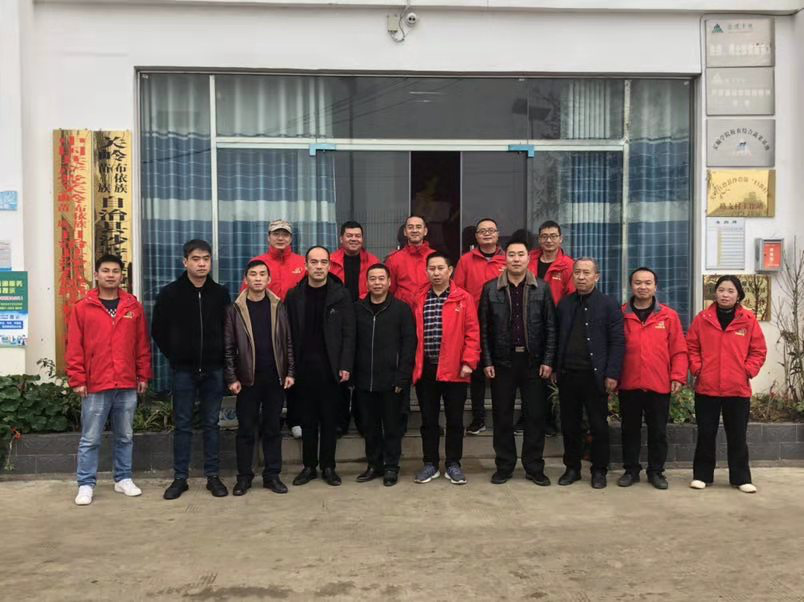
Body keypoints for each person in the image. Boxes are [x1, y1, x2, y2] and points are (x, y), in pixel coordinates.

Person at [66, 255, 151, 506]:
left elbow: (141, 344)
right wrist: (77, 378)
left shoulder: (133, 307)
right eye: (105, 271)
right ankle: (85, 484)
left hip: (126, 382)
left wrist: (142, 374)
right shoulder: (83, 307)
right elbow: (74, 346)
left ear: (121, 276)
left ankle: (123, 478)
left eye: (115, 271)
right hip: (96, 383)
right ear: (96, 275)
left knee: (125, 435)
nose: (111, 275)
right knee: (90, 438)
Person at [151, 240, 231, 500]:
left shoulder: (220, 294)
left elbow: (228, 330)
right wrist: (176, 355)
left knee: (211, 423)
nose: (201, 264)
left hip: (213, 369)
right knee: (183, 424)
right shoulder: (170, 293)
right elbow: (158, 330)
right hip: (183, 371)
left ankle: (213, 476)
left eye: (206, 259)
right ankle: (180, 478)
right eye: (196, 259)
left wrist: (220, 357)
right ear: (185, 262)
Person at [480, 239, 557, 485]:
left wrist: (548, 360)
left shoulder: (542, 288)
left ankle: (534, 467)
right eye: (511, 254)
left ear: (528, 258)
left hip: (534, 362)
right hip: (502, 362)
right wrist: (487, 360)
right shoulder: (490, 289)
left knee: (535, 416)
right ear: (505, 258)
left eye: (520, 254)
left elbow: (551, 327)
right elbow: (484, 329)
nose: (516, 259)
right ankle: (504, 466)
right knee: (502, 416)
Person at [687, 275, 767, 494]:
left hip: (737, 388)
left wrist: (747, 371)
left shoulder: (748, 320)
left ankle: (741, 478)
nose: (725, 295)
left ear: (738, 295)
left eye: (730, 291)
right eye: (721, 290)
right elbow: (691, 346)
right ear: (715, 293)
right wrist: (698, 369)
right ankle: (702, 476)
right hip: (707, 387)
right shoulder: (702, 319)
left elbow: (758, 350)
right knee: (706, 433)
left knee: (737, 435)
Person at [285, 246, 355, 487]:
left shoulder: (341, 295)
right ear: (306, 265)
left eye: (323, 262)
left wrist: (345, 364)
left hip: (331, 369)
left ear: (329, 265)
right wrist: (289, 368)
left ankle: (328, 466)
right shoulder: (294, 295)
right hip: (303, 369)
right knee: (307, 421)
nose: (318, 266)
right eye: (313, 262)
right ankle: (309, 466)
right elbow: (287, 334)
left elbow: (349, 333)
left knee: (329, 420)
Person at [224, 260, 295, 496]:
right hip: (247, 380)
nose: (257, 278)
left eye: (262, 274)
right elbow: (228, 346)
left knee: (272, 428)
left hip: (274, 378)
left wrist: (290, 372)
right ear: (246, 279)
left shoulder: (278, 306)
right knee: (246, 429)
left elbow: (288, 341)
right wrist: (232, 377)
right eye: (253, 274)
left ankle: (272, 475)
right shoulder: (235, 309)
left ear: (268, 279)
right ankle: (244, 477)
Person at [554, 257, 624, 489]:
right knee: (570, 425)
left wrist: (612, 374)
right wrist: (555, 366)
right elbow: (556, 337)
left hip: (596, 377)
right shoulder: (565, 304)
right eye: (577, 273)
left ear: (597, 277)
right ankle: (572, 468)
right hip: (568, 374)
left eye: (586, 273)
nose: (581, 277)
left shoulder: (608, 305)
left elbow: (617, 342)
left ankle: (599, 470)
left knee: (598, 425)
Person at [412, 252, 480, 485]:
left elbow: (472, 332)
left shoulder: (463, 298)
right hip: (427, 369)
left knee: (455, 420)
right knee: (428, 420)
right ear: (426, 271)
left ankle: (453, 463)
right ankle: (430, 463)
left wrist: (469, 362)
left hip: (455, 369)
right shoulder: (419, 297)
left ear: (450, 271)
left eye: (441, 268)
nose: (436, 273)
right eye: (432, 268)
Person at [617, 267, 687, 490]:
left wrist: (678, 376)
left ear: (655, 286)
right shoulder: (621, 314)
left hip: (659, 384)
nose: (643, 287)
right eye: (638, 283)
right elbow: (613, 348)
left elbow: (679, 349)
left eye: (648, 283)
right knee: (629, 431)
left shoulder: (668, 316)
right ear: (631, 286)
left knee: (658, 432)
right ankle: (631, 470)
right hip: (629, 383)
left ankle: (656, 471)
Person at [353, 263, 417, 486]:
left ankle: (391, 466)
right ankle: (374, 465)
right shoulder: (357, 309)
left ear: (389, 282)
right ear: (367, 282)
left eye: (381, 278)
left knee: (392, 427)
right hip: (364, 381)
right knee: (369, 427)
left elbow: (409, 344)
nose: (377, 283)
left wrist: (403, 376)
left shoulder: (401, 309)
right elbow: (351, 342)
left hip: (392, 382)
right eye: (373, 279)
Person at [245, 219, 306, 439]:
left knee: (294, 368)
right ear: (268, 237)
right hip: (265, 327)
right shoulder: (258, 263)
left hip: (295, 324)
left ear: (291, 238)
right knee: (270, 373)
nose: (281, 238)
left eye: (285, 234)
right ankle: (270, 419)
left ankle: (295, 418)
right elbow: (245, 296)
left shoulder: (301, 263)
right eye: (276, 234)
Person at [454, 217, 506, 436]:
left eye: (491, 230)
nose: (487, 234)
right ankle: (478, 418)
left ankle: (502, 419)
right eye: (482, 231)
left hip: (502, 326)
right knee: (475, 374)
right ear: (476, 236)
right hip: (474, 325)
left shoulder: (508, 260)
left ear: (497, 234)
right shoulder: (466, 261)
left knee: (500, 374)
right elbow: (457, 291)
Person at [329, 220, 380, 436]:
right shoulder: (330, 262)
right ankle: (339, 420)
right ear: (341, 238)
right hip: (336, 321)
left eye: (357, 235)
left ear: (362, 238)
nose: (353, 239)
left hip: (365, 318)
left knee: (362, 369)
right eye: (349, 235)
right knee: (339, 369)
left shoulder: (373, 261)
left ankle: (362, 419)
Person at [524, 220, 576, 436]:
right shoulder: (529, 260)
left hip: (554, 325)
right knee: (529, 372)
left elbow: (572, 298)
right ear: (539, 239)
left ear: (560, 239)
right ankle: (527, 417)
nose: (549, 240)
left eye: (553, 236)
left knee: (549, 373)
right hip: (529, 323)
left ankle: (549, 421)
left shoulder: (568, 265)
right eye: (544, 236)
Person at [385, 215, 433, 309]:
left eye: (418, 227)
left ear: (425, 231)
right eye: (410, 227)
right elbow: (389, 291)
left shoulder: (435, 257)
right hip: (402, 311)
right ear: (405, 232)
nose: (414, 230)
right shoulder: (394, 259)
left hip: (429, 310)